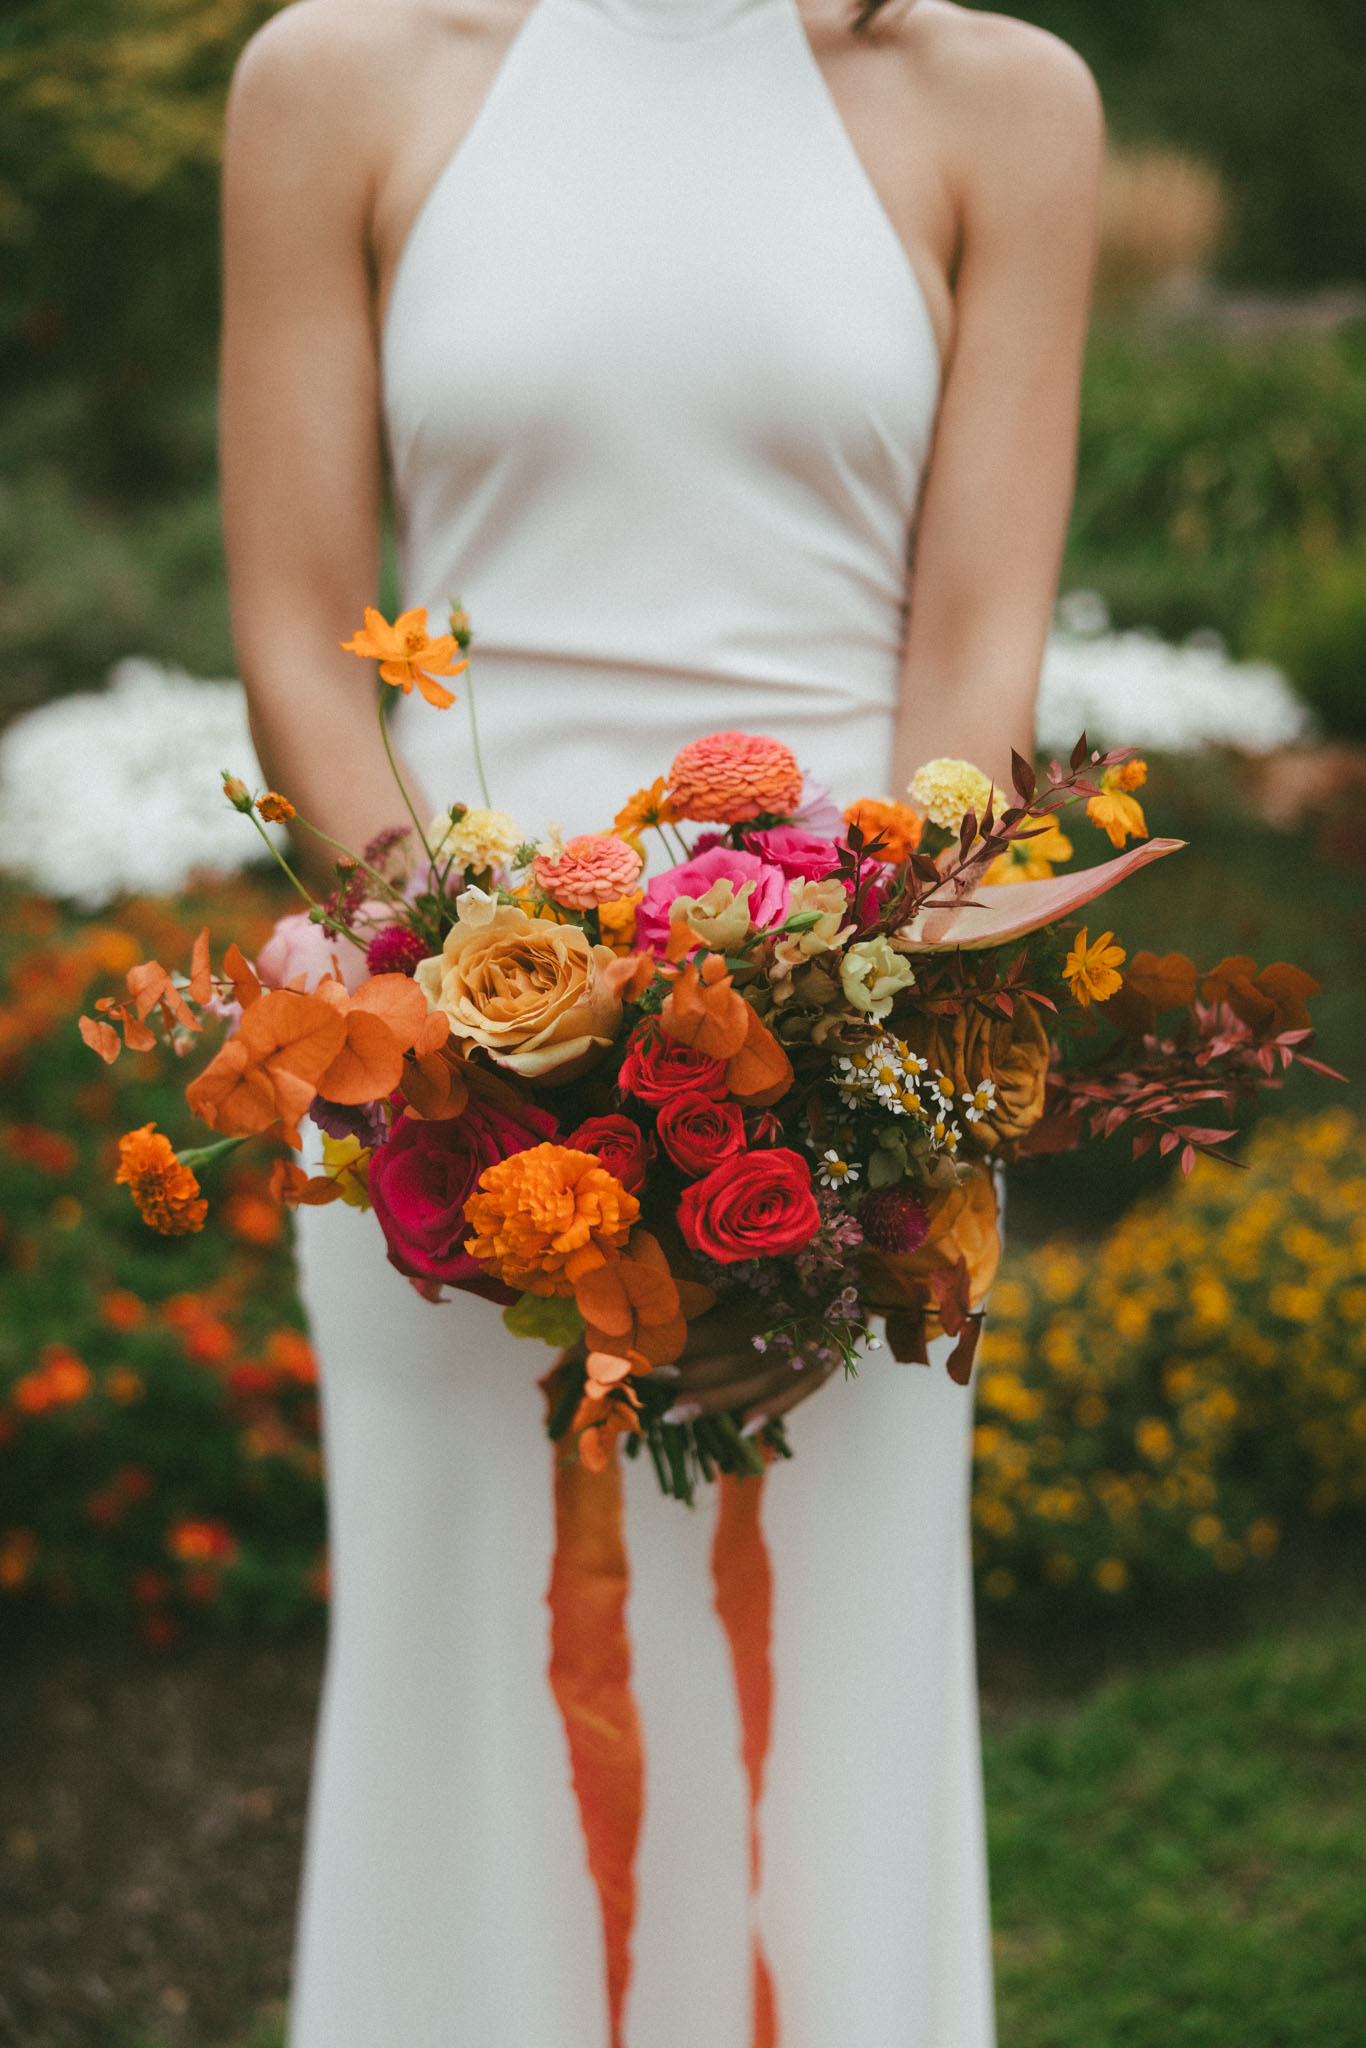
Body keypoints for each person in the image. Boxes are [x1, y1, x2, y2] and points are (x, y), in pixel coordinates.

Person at [219, 0, 1103, 2039]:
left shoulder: (998, 104)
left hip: (846, 1098)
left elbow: (974, 645)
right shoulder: (334, 77)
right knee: (472, 1736)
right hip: (429, 1086)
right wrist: (445, 1006)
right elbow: (292, 617)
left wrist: (838, 1032)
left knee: (827, 1751)